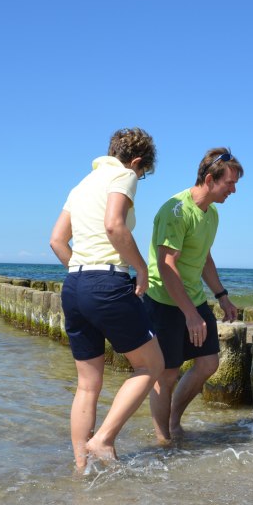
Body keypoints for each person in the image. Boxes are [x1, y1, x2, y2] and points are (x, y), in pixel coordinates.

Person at [48, 127, 165, 471]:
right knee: (151, 365)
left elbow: (56, 240)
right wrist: (141, 269)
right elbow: (115, 226)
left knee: (87, 384)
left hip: (73, 285)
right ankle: (103, 440)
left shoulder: (81, 185)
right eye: (143, 174)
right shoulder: (124, 173)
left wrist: (84, 273)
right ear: (138, 161)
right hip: (108, 282)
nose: (138, 179)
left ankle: (81, 467)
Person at [143, 147, 244, 441]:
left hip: (193, 299)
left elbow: (204, 258)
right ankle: (164, 439)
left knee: (208, 363)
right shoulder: (175, 211)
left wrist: (221, 295)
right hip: (163, 299)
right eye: (230, 183)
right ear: (211, 179)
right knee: (168, 373)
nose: (234, 190)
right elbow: (166, 265)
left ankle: (174, 419)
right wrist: (189, 314)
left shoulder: (211, 214)